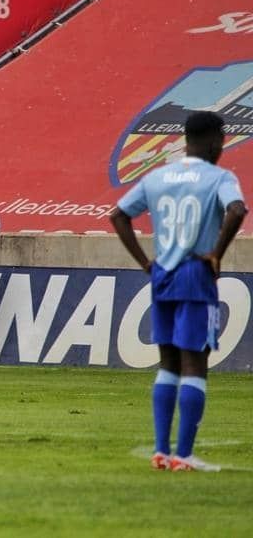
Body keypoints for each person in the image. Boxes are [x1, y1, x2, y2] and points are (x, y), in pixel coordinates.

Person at [110, 111, 246, 472]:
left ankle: (161, 450)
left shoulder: (158, 176)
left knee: (167, 363)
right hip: (195, 274)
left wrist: (145, 263)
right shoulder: (219, 177)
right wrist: (216, 252)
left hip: (163, 275)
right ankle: (184, 455)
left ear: (185, 140)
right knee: (195, 363)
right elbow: (236, 209)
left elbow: (118, 215)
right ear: (217, 139)